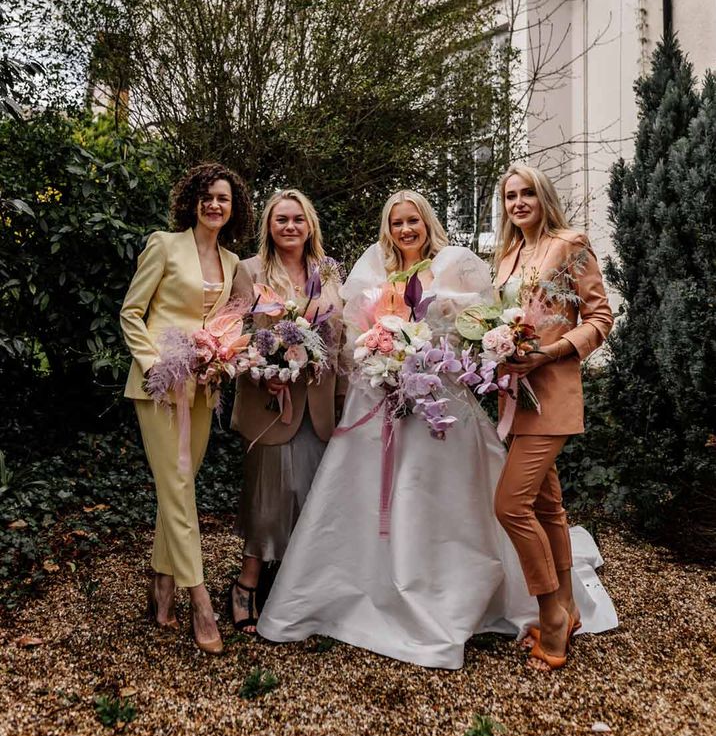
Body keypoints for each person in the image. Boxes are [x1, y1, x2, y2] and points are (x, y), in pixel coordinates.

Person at [256, 189, 617, 669]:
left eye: (414, 221)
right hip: (384, 398)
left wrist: (424, 355)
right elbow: (351, 337)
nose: (406, 229)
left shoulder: (456, 266)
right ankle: (374, 587)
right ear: (388, 229)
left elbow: (476, 333)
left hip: (441, 401)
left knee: (470, 498)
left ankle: (511, 599)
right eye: (397, 222)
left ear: (427, 223)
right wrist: (382, 357)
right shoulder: (373, 271)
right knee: (529, 502)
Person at [120, 162, 253, 654]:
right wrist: (159, 364)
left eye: (223, 198)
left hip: (204, 387)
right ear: (192, 202)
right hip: (159, 385)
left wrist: (223, 357)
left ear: (233, 207)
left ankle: (160, 582)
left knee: (181, 483)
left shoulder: (234, 262)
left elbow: (231, 323)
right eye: (206, 196)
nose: (214, 204)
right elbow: (132, 312)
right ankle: (198, 598)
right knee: (177, 487)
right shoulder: (163, 244)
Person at [492, 164, 614, 671]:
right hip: (514, 397)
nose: (518, 202)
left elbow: (601, 317)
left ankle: (552, 616)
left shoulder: (570, 243)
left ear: (543, 197)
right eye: (510, 196)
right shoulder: (505, 255)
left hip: (554, 392)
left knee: (509, 505)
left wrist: (553, 351)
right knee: (547, 507)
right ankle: (567, 607)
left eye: (527, 194)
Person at [228, 189, 345, 633]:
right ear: (269, 227)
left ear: (310, 224)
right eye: (281, 220)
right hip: (269, 403)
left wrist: (343, 395)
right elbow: (234, 335)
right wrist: (261, 373)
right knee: (270, 494)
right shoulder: (249, 270)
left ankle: (301, 586)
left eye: (298, 219)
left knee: (312, 494)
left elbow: (341, 336)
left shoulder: (329, 270)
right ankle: (245, 584)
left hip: (318, 401)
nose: (290, 227)